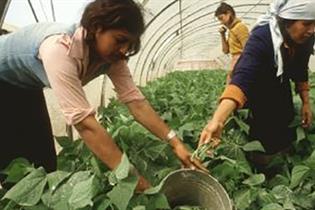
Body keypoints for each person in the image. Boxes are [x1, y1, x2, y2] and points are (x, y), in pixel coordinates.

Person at [0, 0, 205, 191]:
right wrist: (134, 181)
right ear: (97, 27)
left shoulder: (113, 58)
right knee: (10, 164)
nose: (124, 50)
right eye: (120, 40)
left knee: (44, 164)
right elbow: (85, 124)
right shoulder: (60, 49)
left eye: (129, 44)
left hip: (25, 85)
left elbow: (136, 102)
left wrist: (175, 142)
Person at [199, 0, 315, 169]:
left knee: (286, 115)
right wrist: (218, 120)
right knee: (264, 127)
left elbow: (300, 68)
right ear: (287, 20)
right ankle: (261, 167)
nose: (312, 30)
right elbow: (243, 78)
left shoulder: (306, 37)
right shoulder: (262, 37)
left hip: (281, 82)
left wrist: (306, 102)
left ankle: (284, 165)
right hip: (259, 85)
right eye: (306, 24)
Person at [215, 2, 249, 84]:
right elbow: (226, 51)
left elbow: (247, 50)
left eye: (221, 18)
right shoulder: (231, 30)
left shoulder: (240, 27)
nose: (221, 22)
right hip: (235, 63)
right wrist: (222, 35)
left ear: (229, 13)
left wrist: (237, 67)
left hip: (240, 64)